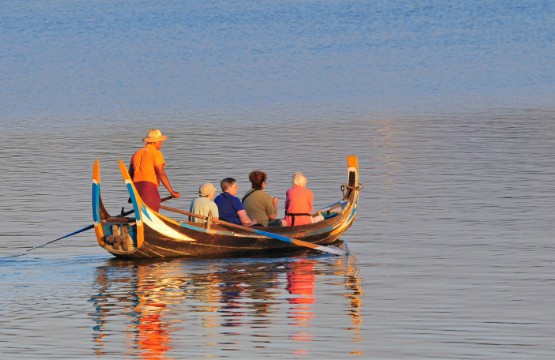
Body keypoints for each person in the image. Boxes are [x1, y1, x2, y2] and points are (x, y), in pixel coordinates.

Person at [128, 129, 180, 212]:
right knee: (152, 215)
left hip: (136, 189)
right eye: (160, 142)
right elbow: (161, 173)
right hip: (149, 188)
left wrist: (132, 193)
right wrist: (171, 191)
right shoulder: (156, 153)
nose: (161, 144)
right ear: (155, 142)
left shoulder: (136, 154)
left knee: (141, 215)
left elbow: (129, 175)